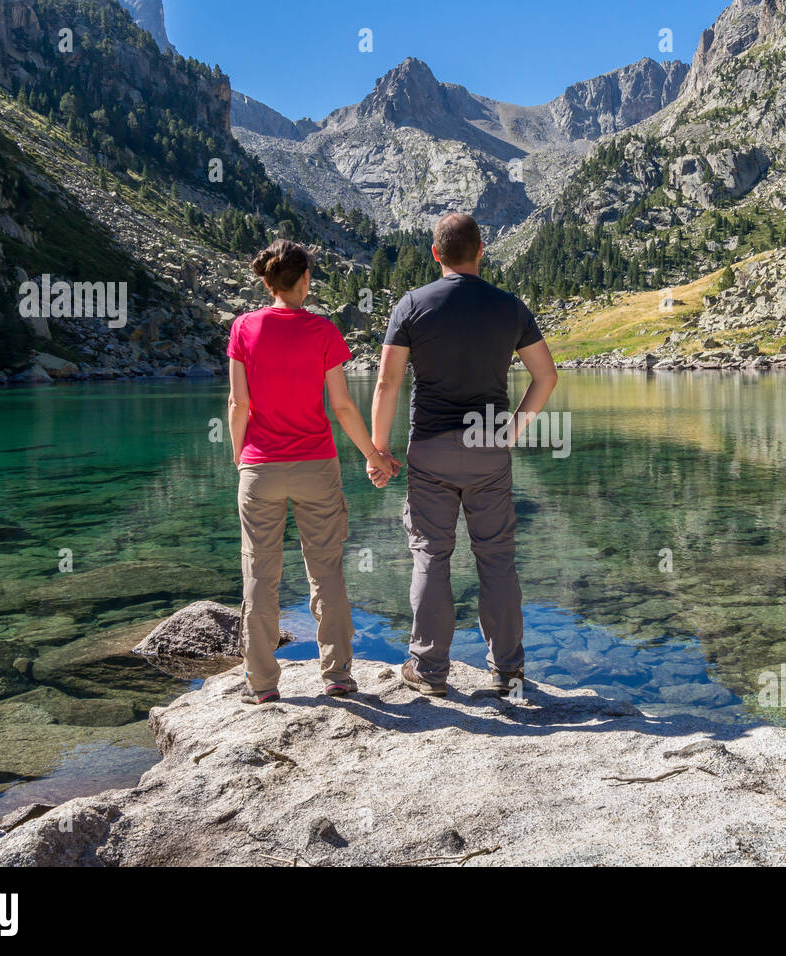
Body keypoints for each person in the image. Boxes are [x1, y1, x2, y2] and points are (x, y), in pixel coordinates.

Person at [369, 213, 558, 696]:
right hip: (488, 445)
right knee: (496, 557)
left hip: (430, 447)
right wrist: (514, 429)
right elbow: (546, 377)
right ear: (480, 252)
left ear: (436, 255)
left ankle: (429, 670)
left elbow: (388, 382)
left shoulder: (411, 305)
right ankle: (508, 671)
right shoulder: (509, 307)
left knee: (432, 554)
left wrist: (379, 449)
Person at [227, 238, 400, 704]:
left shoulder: (243, 328)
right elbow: (342, 407)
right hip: (316, 467)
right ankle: (338, 675)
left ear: (267, 281)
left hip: (260, 467)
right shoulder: (323, 332)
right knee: (326, 572)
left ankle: (261, 685)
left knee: (259, 574)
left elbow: (238, 404)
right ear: (305, 281)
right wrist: (373, 455)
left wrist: (241, 457)